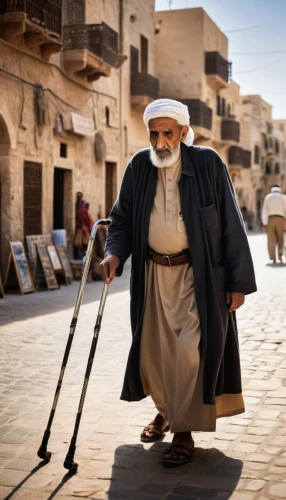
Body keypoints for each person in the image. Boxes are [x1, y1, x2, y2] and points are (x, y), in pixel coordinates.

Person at [100, 99, 257, 467]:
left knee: (189, 351)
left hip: (196, 277)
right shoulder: (139, 166)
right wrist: (114, 255)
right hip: (153, 276)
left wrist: (237, 281)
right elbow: (120, 220)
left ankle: (183, 431)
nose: (159, 141)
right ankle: (166, 412)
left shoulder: (208, 163)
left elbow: (231, 223)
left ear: (184, 133)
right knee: (154, 356)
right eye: (153, 133)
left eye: (167, 133)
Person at [261, 185, 286, 264]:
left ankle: (273, 258)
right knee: (280, 238)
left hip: (270, 219)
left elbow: (265, 210)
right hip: (281, 219)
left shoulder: (268, 197)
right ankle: (280, 256)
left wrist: (265, 223)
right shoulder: (283, 198)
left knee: (271, 239)